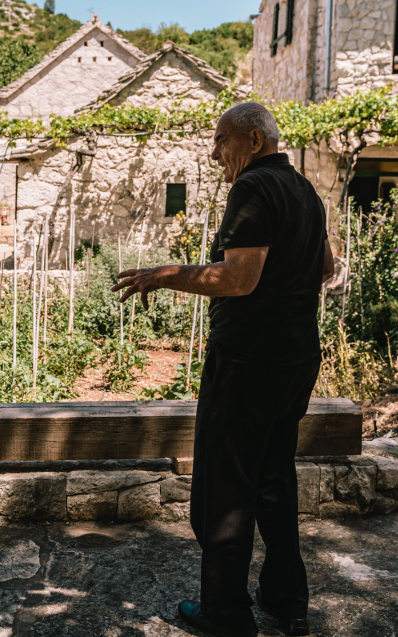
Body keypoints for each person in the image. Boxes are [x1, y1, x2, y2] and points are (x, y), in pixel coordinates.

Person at [112, 103, 335, 637]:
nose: (214, 153)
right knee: (275, 480)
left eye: (221, 141)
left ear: (253, 139)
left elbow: (238, 279)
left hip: (249, 364)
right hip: (297, 359)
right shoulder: (305, 190)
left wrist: (162, 274)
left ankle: (226, 614)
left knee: (227, 487)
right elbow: (326, 266)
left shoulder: (253, 187)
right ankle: (287, 600)